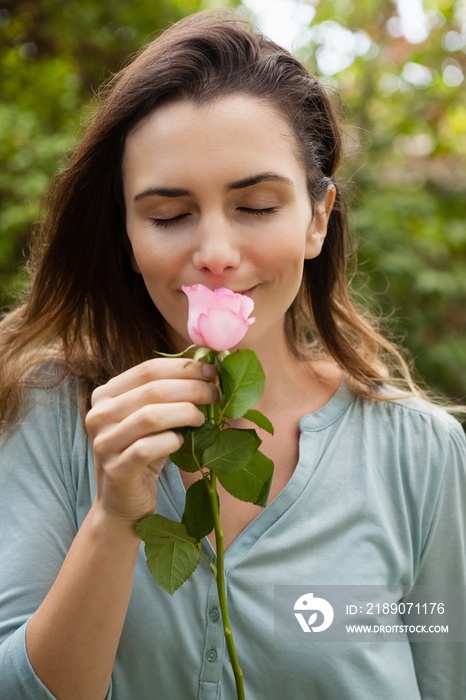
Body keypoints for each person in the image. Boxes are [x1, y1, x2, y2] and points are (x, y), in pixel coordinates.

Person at [0, 9, 465, 700]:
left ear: (317, 218)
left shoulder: (419, 454)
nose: (215, 254)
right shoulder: (50, 416)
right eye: (166, 215)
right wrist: (115, 513)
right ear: (127, 234)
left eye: (255, 206)